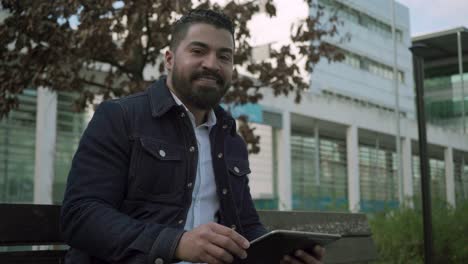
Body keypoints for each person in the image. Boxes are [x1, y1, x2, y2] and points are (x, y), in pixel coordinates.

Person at [61, 8, 325, 264]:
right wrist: (175, 244)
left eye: (225, 56)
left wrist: (281, 252)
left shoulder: (231, 140)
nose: (212, 64)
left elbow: (245, 226)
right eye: (198, 51)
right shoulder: (119, 117)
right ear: (169, 59)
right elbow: (81, 216)